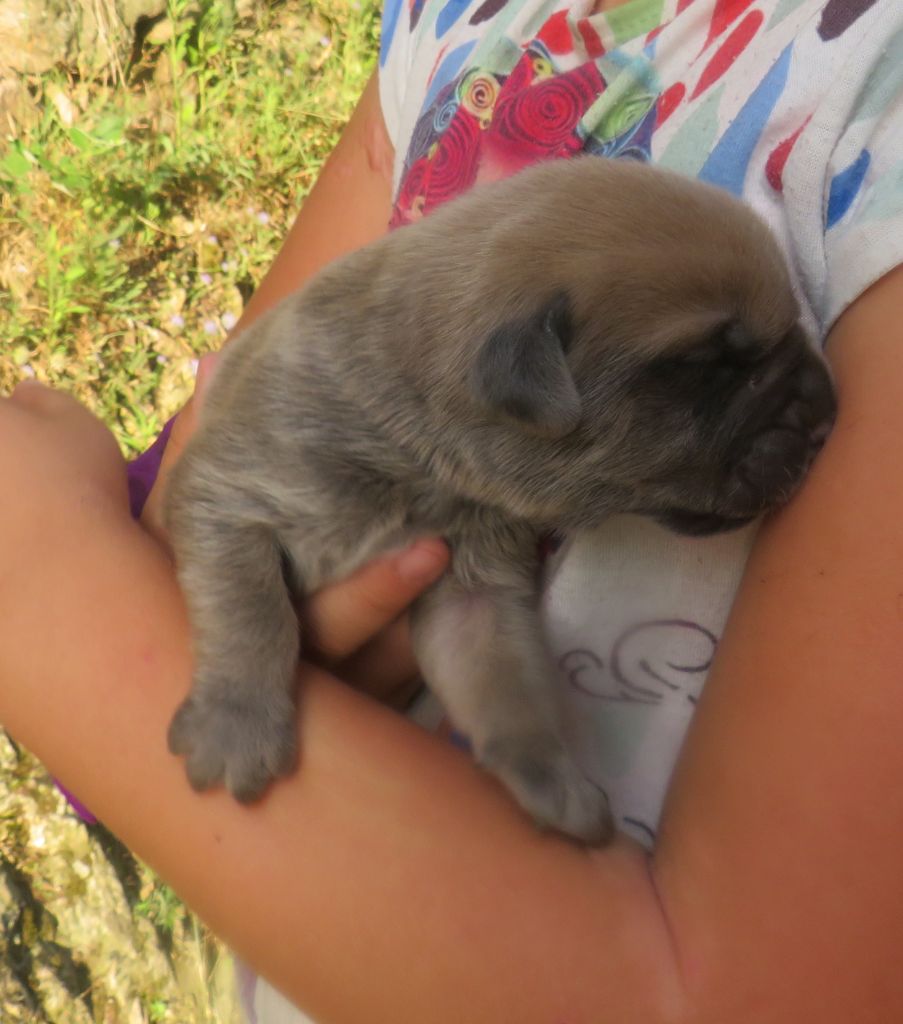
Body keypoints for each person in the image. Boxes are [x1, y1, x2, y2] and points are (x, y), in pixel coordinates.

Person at [2, 0, 903, 1021]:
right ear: (525, 383)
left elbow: (725, 995)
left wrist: (44, 587)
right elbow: (201, 513)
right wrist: (176, 635)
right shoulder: (456, 24)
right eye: (709, 377)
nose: (807, 405)